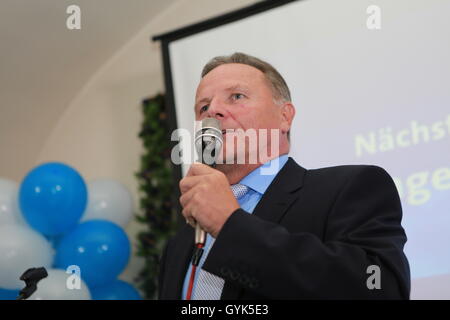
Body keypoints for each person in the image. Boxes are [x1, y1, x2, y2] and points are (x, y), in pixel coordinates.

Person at [158, 52, 410, 299]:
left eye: (236, 96)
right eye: (203, 107)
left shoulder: (351, 188)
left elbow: (380, 289)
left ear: (284, 116)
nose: (213, 111)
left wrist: (229, 225)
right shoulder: (179, 244)